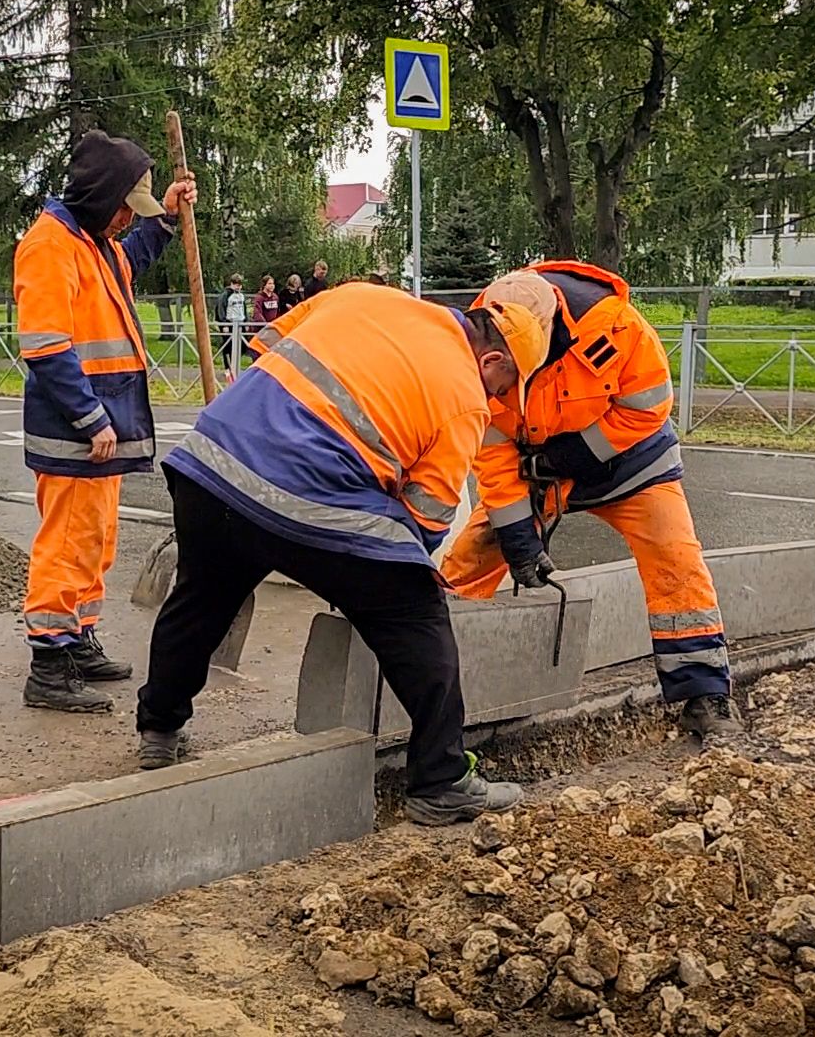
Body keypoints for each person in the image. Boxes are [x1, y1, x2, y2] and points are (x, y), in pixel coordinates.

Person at [135, 283, 550, 825]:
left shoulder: (365, 296)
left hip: (212, 464)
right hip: (309, 495)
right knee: (417, 614)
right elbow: (425, 522)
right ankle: (440, 780)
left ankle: (159, 729)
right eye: (505, 386)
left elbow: (266, 347)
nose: (498, 399)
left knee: (202, 597)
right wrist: (371, 580)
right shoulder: (465, 398)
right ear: (492, 359)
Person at [440, 263, 737, 736]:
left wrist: (567, 457)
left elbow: (647, 410)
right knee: (471, 559)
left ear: (545, 332)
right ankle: (418, 668)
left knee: (674, 559)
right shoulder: (482, 345)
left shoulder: (617, 328)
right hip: (537, 471)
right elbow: (492, 450)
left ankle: (705, 694)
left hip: (631, 464)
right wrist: (518, 536)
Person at [13, 129, 196, 713]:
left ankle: (78, 638)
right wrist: (92, 419)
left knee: (95, 542)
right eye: (125, 208)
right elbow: (44, 347)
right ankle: (49, 664)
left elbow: (134, 255)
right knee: (66, 546)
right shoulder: (50, 245)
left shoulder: (94, 242)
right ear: (100, 196)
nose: (126, 220)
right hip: (77, 429)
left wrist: (164, 218)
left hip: (100, 426)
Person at [215, 273, 248, 375]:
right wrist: (223, 323)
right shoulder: (225, 295)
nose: (239, 287)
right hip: (229, 323)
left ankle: (235, 366)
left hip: (239, 323)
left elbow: (243, 309)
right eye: (237, 285)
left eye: (240, 285)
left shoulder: (241, 296)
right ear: (232, 284)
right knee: (228, 346)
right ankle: (227, 368)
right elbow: (221, 309)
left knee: (241, 346)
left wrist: (245, 321)